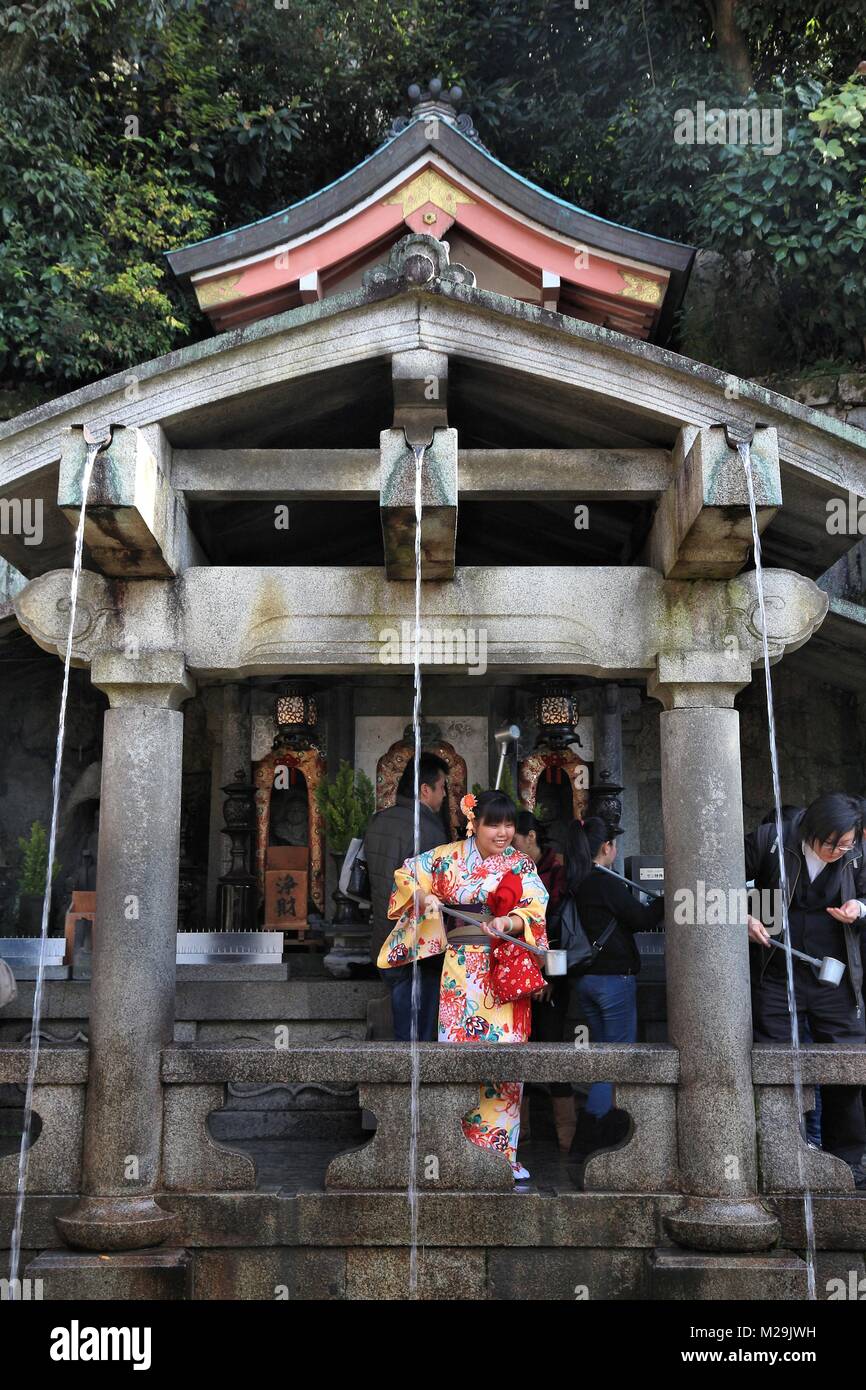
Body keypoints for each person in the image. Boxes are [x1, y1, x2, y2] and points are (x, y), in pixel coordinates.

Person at [377, 789, 549, 1181]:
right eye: (494, 824)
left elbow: (536, 906)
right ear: (474, 823)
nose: (504, 832)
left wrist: (508, 922)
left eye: (509, 824)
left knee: (505, 1063)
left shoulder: (520, 864)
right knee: (458, 1058)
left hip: (501, 973)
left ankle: (504, 1157)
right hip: (460, 974)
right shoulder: (446, 857)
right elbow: (405, 873)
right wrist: (423, 897)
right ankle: (457, 1153)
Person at [746, 793, 866, 1188]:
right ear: (809, 830)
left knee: (845, 1063)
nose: (836, 852)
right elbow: (716, 876)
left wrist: (858, 909)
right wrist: (744, 912)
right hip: (776, 970)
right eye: (829, 844)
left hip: (835, 976)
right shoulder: (770, 840)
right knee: (776, 1061)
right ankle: (780, 1153)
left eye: (844, 844)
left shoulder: (855, 853)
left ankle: (847, 1160)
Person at [564, 816, 665, 1162]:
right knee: (616, 1058)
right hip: (613, 982)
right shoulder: (605, 882)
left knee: (604, 1055)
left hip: (586, 980)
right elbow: (642, 920)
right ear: (607, 847)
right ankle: (592, 1138)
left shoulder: (575, 881)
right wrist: (667, 900)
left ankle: (596, 1131)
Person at [364, 752, 449, 1042]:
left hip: (383, 940)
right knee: (419, 1034)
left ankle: (401, 1083)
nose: (445, 794)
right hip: (416, 947)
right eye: (442, 787)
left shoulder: (377, 822)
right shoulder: (428, 829)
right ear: (426, 790)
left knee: (403, 1027)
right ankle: (414, 1086)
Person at [514, 811, 574, 1149]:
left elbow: (560, 929)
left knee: (552, 1051)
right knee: (518, 1052)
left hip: (551, 977)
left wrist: (548, 975)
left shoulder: (557, 874)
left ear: (532, 837)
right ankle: (519, 1131)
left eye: (516, 838)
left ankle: (566, 1136)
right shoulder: (513, 872)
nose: (510, 844)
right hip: (518, 976)